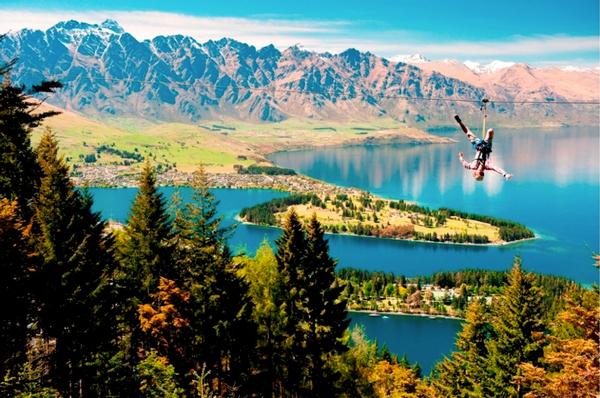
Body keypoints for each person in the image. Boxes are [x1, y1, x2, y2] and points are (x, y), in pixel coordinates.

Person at [453, 114, 512, 181]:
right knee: (490, 130)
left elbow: (464, 164)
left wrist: (461, 157)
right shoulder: (487, 166)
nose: (482, 172)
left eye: (480, 174)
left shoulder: (473, 166)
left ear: (475, 173)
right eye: (482, 174)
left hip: (478, 145)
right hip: (487, 146)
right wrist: (505, 174)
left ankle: (459, 121)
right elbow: (496, 169)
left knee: (468, 132)